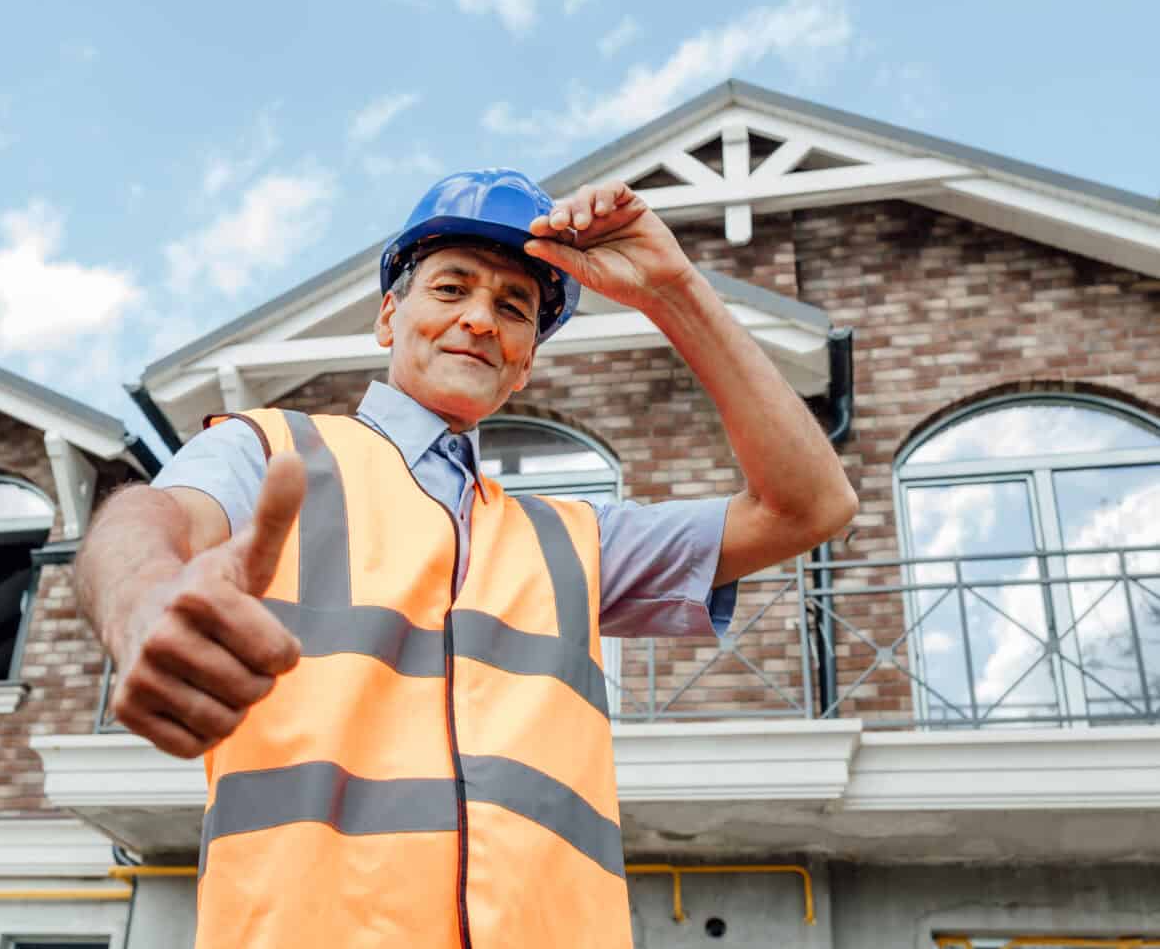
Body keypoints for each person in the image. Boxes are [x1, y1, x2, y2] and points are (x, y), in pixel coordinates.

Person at [74, 169, 857, 948]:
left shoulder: (576, 541)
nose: (480, 319)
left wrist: (671, 290)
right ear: (390, 315)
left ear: (525, 365)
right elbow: (151, 518)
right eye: (451, 289)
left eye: (512, 307)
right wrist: (142, 597)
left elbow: (812, 506)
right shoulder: (278, 453)